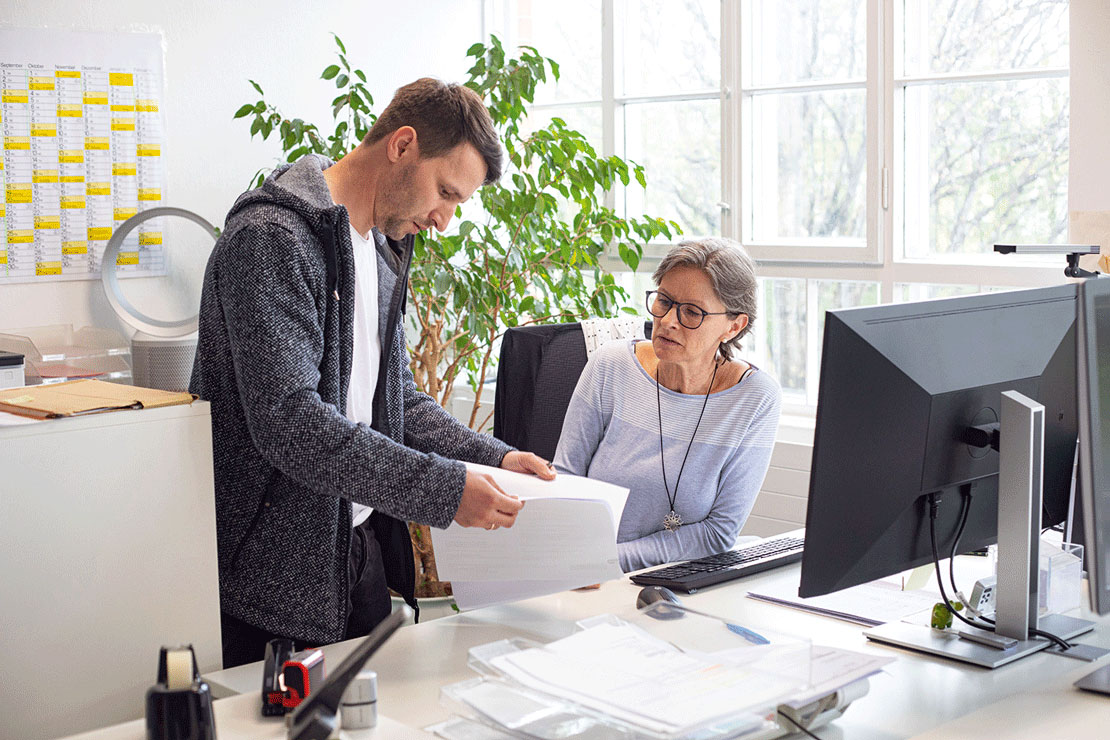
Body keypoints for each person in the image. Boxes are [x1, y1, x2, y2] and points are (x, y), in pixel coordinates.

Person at [190, 78, 553, 668]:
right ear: (402, 144)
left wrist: (492, 458)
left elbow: (397, 400)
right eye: (446, 192)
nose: (443, 220)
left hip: (353, 553)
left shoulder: (380, 249)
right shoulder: (270, 241)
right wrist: (445, 489)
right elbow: (291, 423)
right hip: (270, 577)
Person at [554, 238, 781, 572]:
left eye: (692, 312)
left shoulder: (754, 399)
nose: (669, 321)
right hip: (584, 573)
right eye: (664, 301)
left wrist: (611, 559)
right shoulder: (610, 365)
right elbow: (564, 477)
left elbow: (718, 533)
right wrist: (584, 561)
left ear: (734, 326)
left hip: (679, 581)